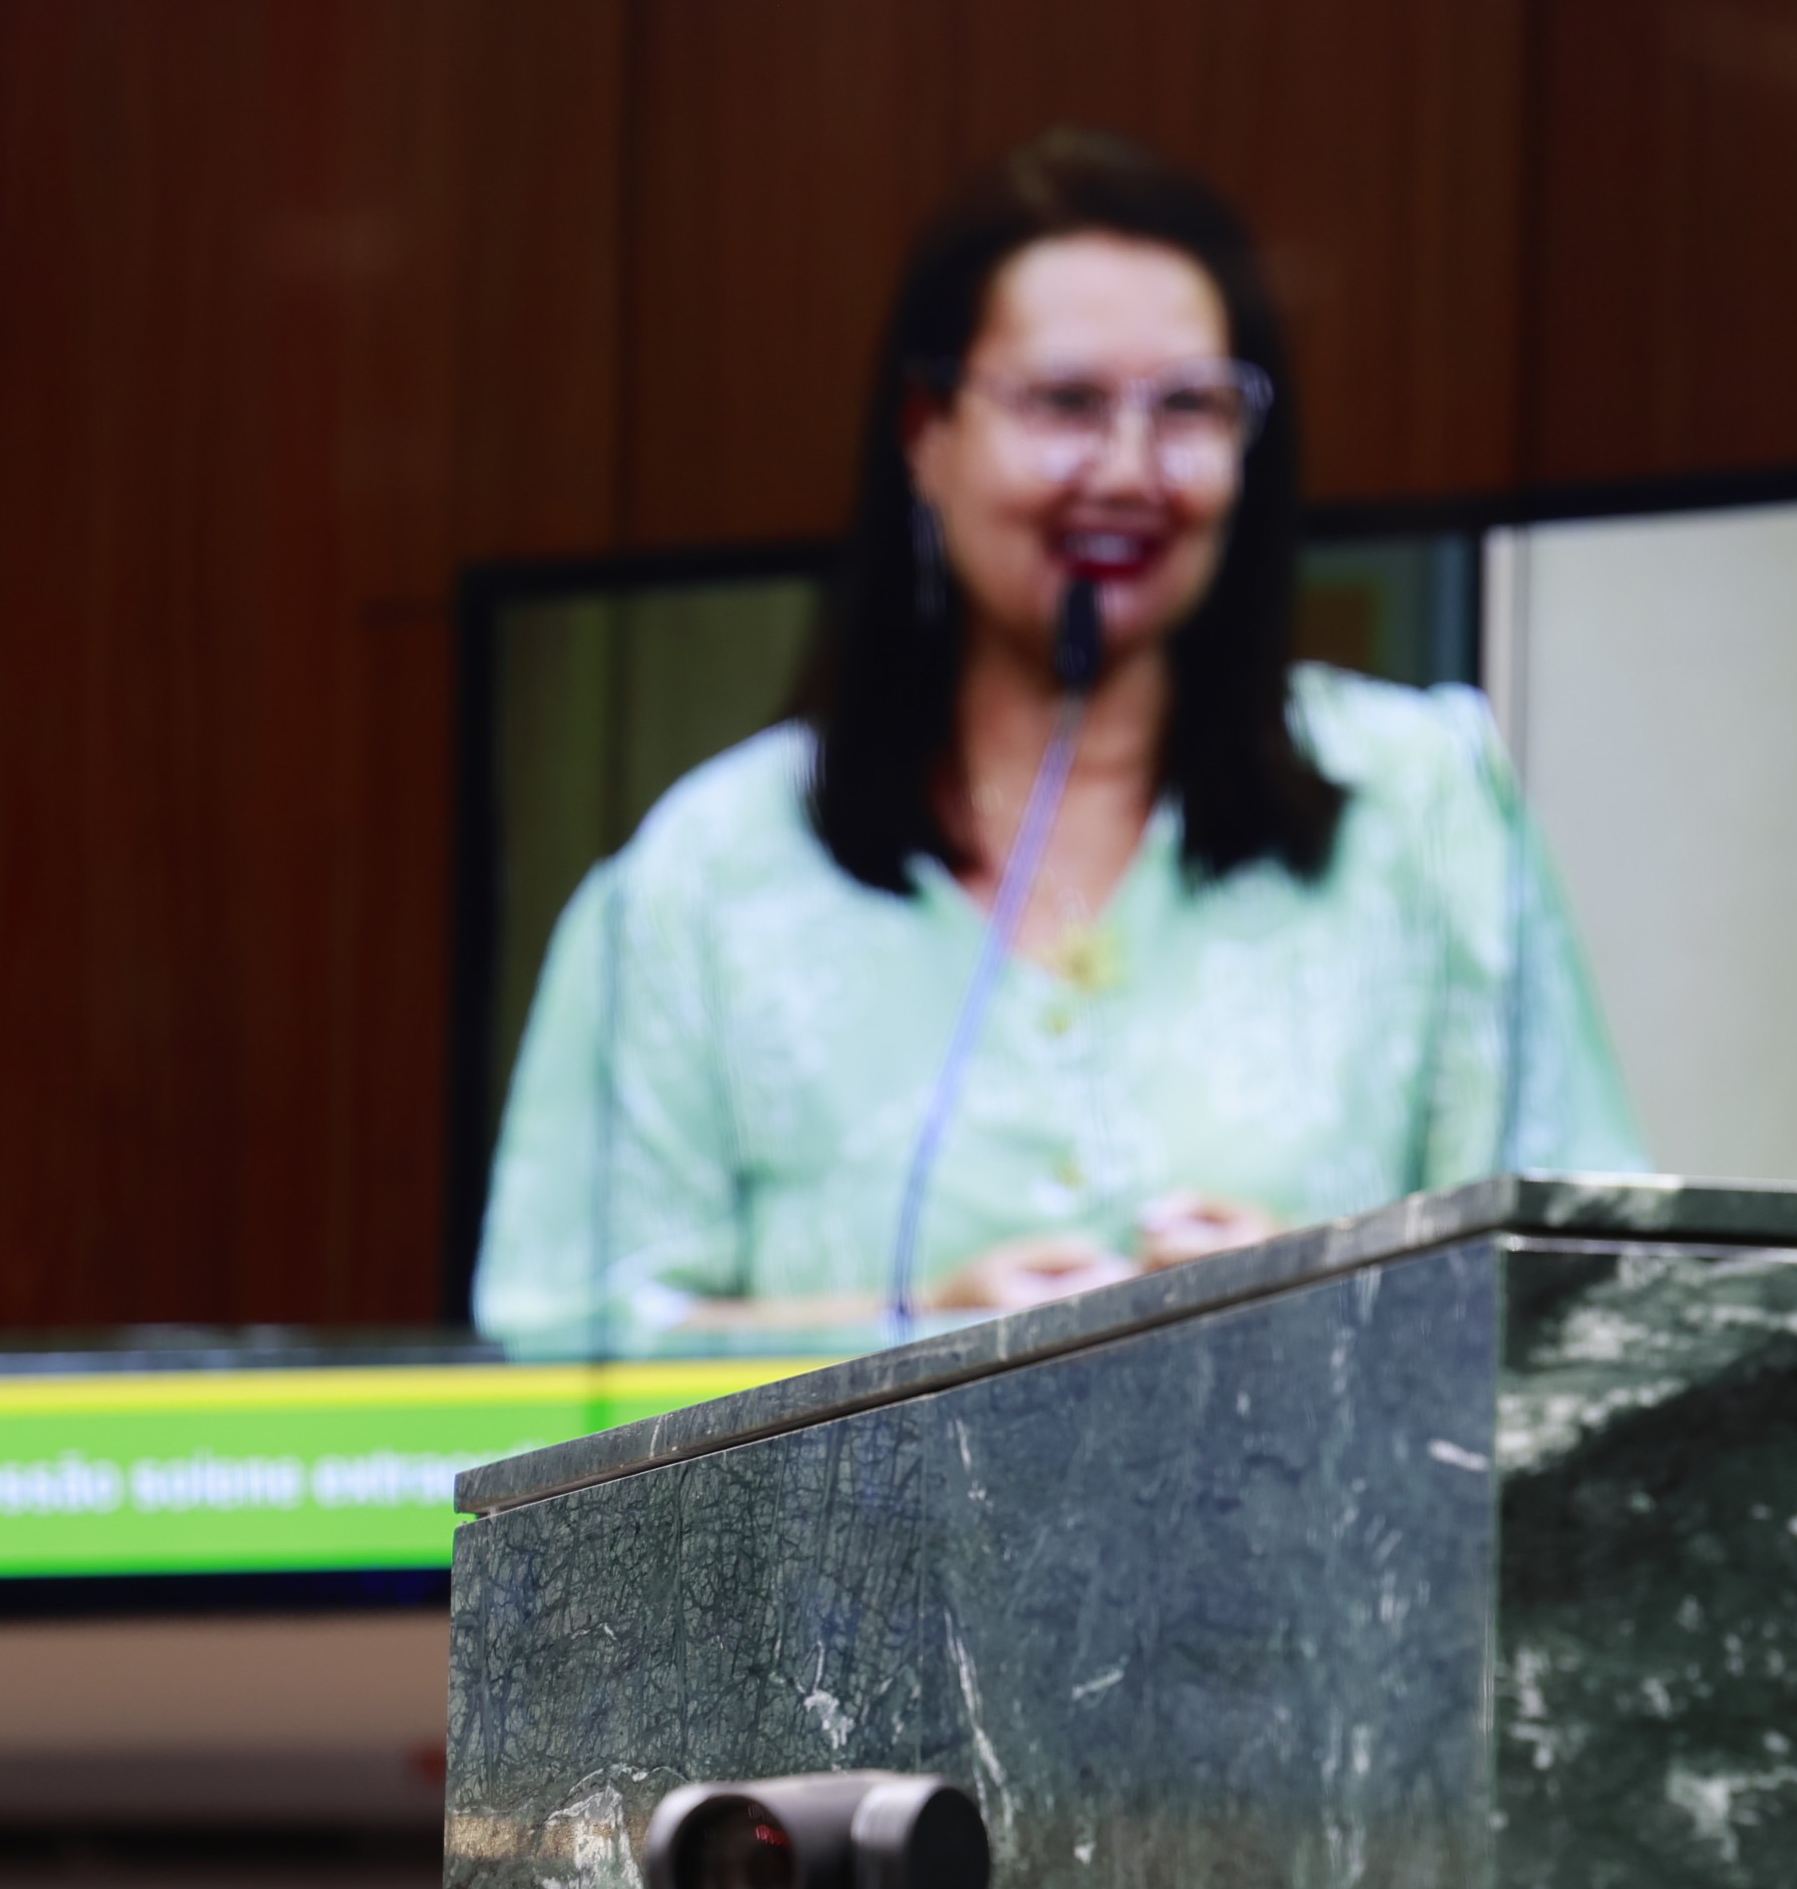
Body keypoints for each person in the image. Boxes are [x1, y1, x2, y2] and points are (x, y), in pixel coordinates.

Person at [476, 130, 1644, 1348]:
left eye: (1188, 407)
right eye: (1066, 404)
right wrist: (914, 1337)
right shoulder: (707, 875)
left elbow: (1600, 1304)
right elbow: (557, 1345)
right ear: (927, 431)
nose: (1129, 472)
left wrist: (1338, 1300)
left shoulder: (1428, 803)